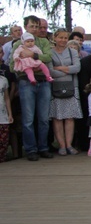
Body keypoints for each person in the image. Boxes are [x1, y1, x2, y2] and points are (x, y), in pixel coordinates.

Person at [10, 16, 53, 161]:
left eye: (37, 26)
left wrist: (32, 54)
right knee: (28, 118)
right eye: (32, 26)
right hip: (26, 81)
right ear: (26, 27)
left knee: (44, 118)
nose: (35, 29)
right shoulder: (18, 44)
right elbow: (12, 65)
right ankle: (30, 149)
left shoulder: (44, 41)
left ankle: (43, 147)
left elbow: (48, 58)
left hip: (44, 82)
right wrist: (27, 68)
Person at [49, 29, 82, 156]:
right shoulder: (50, 53)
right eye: (60, 37)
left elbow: (77, 68)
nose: (63, 40)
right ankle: (61, 146)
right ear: (55, 38)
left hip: (71, 87)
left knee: (69, 117)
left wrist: (60, 68)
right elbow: (50, 71)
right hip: (55, 87)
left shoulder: (72, 51)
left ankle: (69, 144)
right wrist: (68, 69)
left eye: (65, 38)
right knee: (57, 117)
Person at [0, 68, 13, 163]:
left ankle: (2, 157)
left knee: (3, 140)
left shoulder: (3, 80)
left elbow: (7, 98)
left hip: (3, 114)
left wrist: (10, 114)